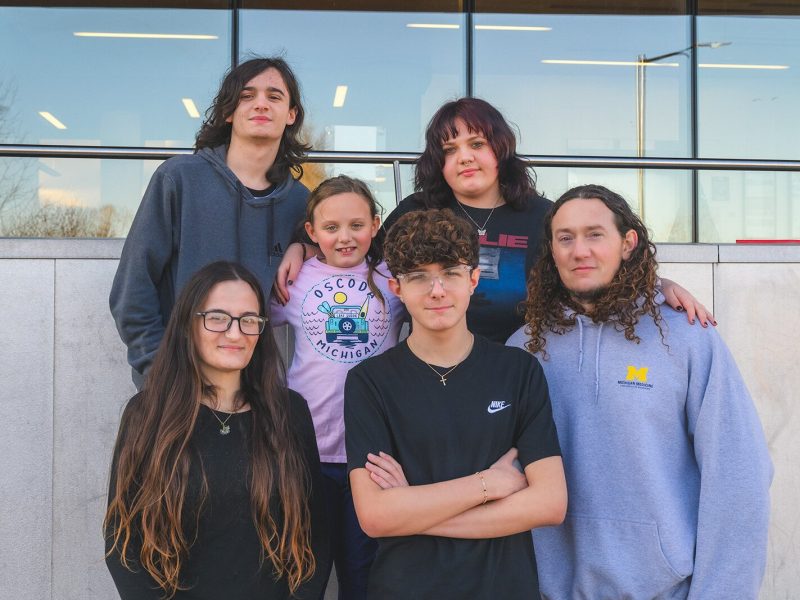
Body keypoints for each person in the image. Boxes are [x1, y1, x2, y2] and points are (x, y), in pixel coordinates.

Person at [507, 184, 772, 599]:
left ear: (627, 243)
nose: (580, 251)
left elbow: (738, 477)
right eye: (566, 238)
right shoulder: (524, 348)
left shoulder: (685, 338)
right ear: (552, 251)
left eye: (595, 234)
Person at [275, 97, 713, 341]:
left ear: (500, 149)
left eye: (476, 144)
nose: (464, 157)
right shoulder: (417, 213)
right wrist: (303, 246)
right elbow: (355, 253)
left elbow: (589, 265)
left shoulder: (542, 216)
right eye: (450, 150)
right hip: (434, 373)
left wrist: (659, 286)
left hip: (521, 372)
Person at [344, 209, 567, 599]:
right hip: (405, 589)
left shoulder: (518, 370)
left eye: (450, 272)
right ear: (397, 287)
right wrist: (488, 484)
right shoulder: (370, 381)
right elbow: (375, 516)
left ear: (473, 279)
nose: (436, 290)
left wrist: (412, 512)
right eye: (418, 277)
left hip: (504, 589)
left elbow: (549, 504)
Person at [104, 261, 329, 599]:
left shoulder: (289, 412)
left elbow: (317, 534)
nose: (236, 333)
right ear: (187, 324)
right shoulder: (148, 414)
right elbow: (124, 541)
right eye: (218, 318)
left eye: (249, 320)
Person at [110, 57, 310, 388]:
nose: (261, 103)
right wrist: (159, 369)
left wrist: (306, 246)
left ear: (291, 115)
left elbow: (346, 256)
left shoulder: (300, 203)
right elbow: (132, 287)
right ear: (229, 112)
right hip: (175, 387)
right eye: (247, 96)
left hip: (253, 392)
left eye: (274, 96)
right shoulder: (178, 179)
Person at [269, 175, 405, 599]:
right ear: (311, 232)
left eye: (356, 225)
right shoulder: (296, 280)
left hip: (372, 455)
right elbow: (250, 323)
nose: (344, 237)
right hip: (306, 450)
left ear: (376, 225)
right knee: (301, 571)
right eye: (330, 228)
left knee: (361, 574)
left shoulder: (394, 282)